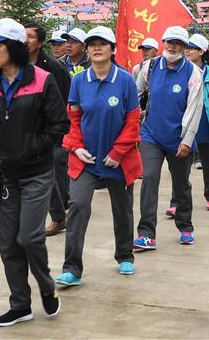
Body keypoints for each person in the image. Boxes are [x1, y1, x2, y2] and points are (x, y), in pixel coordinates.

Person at [0, 18, 69, 326]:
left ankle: (45, 285)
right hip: (4, 177)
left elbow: (59, 126)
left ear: (15, 47)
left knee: (29, 237)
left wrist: (31, 147)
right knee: (9, 244)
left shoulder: (43, 80)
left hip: (36, 172)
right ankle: (20, 304)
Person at [56, 27, 143, 285]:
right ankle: (72, 268)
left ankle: (125, 254)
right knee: (78, 206)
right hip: (86, 159)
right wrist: (76, 146)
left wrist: (118, 152)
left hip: (118, 159)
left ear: (112, 49)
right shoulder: (79, 81)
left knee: (122, 208)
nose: (96, 48)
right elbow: (74, 117)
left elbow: (133, 120)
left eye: (102, 44)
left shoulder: (125, 80)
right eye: (92, 44)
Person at [134, 26, 204, 249]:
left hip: (179, 139)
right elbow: (136, 93)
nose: (172, 46)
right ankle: (146, 233)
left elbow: (195, 108)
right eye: (169, 42)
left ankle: (185, 227)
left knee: (181, 184)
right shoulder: (150, 66)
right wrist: (134, 119)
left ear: (185, 47)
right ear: (163, 43)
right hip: (151, 135)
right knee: (150, 179)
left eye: (178, 43)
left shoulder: (192, 72)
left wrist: (187, 139)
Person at [24, 23, 72, 237]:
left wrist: (58, 132)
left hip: (49, 128)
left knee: (49, 169)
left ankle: (58, 215)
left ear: (39, 42)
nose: (26, 40)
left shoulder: (54, 67)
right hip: (26, 126)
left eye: (31, 37)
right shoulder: (17, 64)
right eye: (23, 36)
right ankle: (59, 215)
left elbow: (63, 101)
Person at [173, 33, 209, 212]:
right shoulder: (180, 69)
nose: (186, 51)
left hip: (206, 121)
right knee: (180, 164)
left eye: (191, 48)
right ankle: (176, 201)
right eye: (186, 47)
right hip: (186, 121)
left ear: (202, 51)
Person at [132, 37, 160, 112]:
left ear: (156, 51)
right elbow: (135, 89)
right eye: (143, 49)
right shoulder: (136, 68)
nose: (145, 51)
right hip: (141, 106)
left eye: (148, 49)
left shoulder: (162, 67)